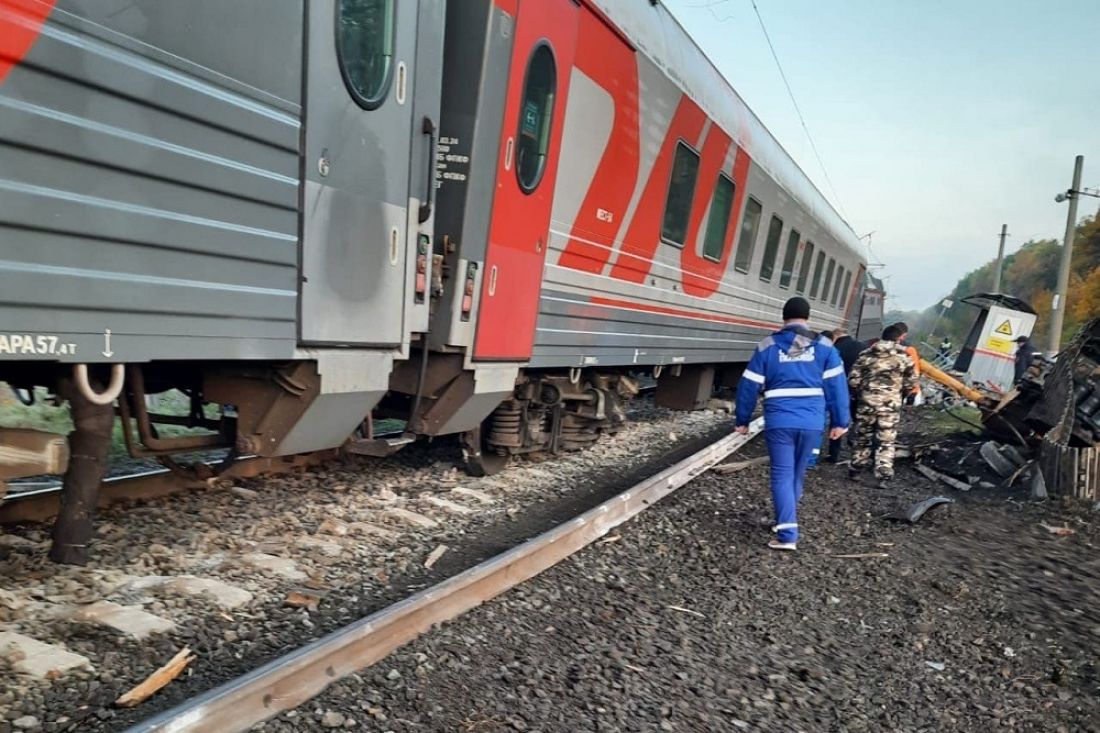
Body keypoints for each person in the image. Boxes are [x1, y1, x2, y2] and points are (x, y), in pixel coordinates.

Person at [735, 297, 850, 551]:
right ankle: (786, 520)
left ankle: (788, 533)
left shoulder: (767, 346)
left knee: (781, 474)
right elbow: (837, 388)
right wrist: (841, 421)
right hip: (812, 421)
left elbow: (749, 386)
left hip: (780, 420)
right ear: (807, 317)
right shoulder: (826, 347)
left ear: (783, 317)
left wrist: (742, 420)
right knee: (797, 472)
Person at [847, 325, 918, 488]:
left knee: (863, 436)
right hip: (890, 405)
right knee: (886, 439)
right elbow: (911, 382)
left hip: (867, 403)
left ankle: (856, 469)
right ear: (898, 338)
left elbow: (853, 380)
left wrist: (861, 393)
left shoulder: (866, 354)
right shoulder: (904, 356)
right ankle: (883, 474)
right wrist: (902, 395)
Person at [824, 327, 865, 462]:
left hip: (842, 388)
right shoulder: (863, 347)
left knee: (837, 420)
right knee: (858, 420)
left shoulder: (835, 350)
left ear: (835, 337)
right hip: (861, 391)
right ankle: (857, 451)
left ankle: (833, 454)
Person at [893, 322, 922, 405]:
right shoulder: (909, 350)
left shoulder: (874, 348)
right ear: (903, 334)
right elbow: (914, 372)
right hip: (897, 393)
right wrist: (914, 391)